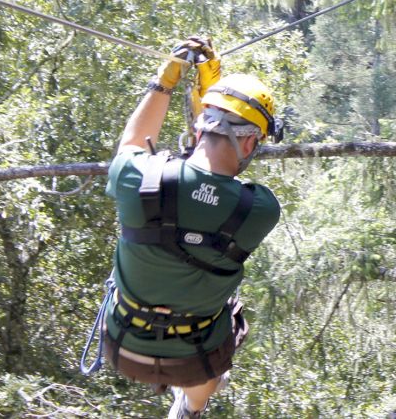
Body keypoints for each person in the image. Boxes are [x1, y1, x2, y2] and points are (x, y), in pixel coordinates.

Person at [103, 35, 282, 419]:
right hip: (195, 358)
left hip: (122, 345)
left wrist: (164, 83)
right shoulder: (260, 209)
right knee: (230, 311)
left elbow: (133, 143)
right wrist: (207, 88)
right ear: (250, 145)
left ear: (199, 130)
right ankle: (192, 408)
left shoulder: (138, 177)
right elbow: (212, 187)